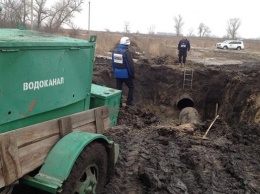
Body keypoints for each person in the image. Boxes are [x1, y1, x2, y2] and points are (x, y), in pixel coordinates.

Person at [112, 37, 135, 106]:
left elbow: (113, 64)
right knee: (131, 87)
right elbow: (130, 65)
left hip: (117, 74)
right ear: (127, 44)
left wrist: (115, 72)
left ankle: (118, 103)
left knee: (118, 89)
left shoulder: (115, 51)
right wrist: (132, 75)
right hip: (125, 75)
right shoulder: (126, 52)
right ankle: (129, 103)